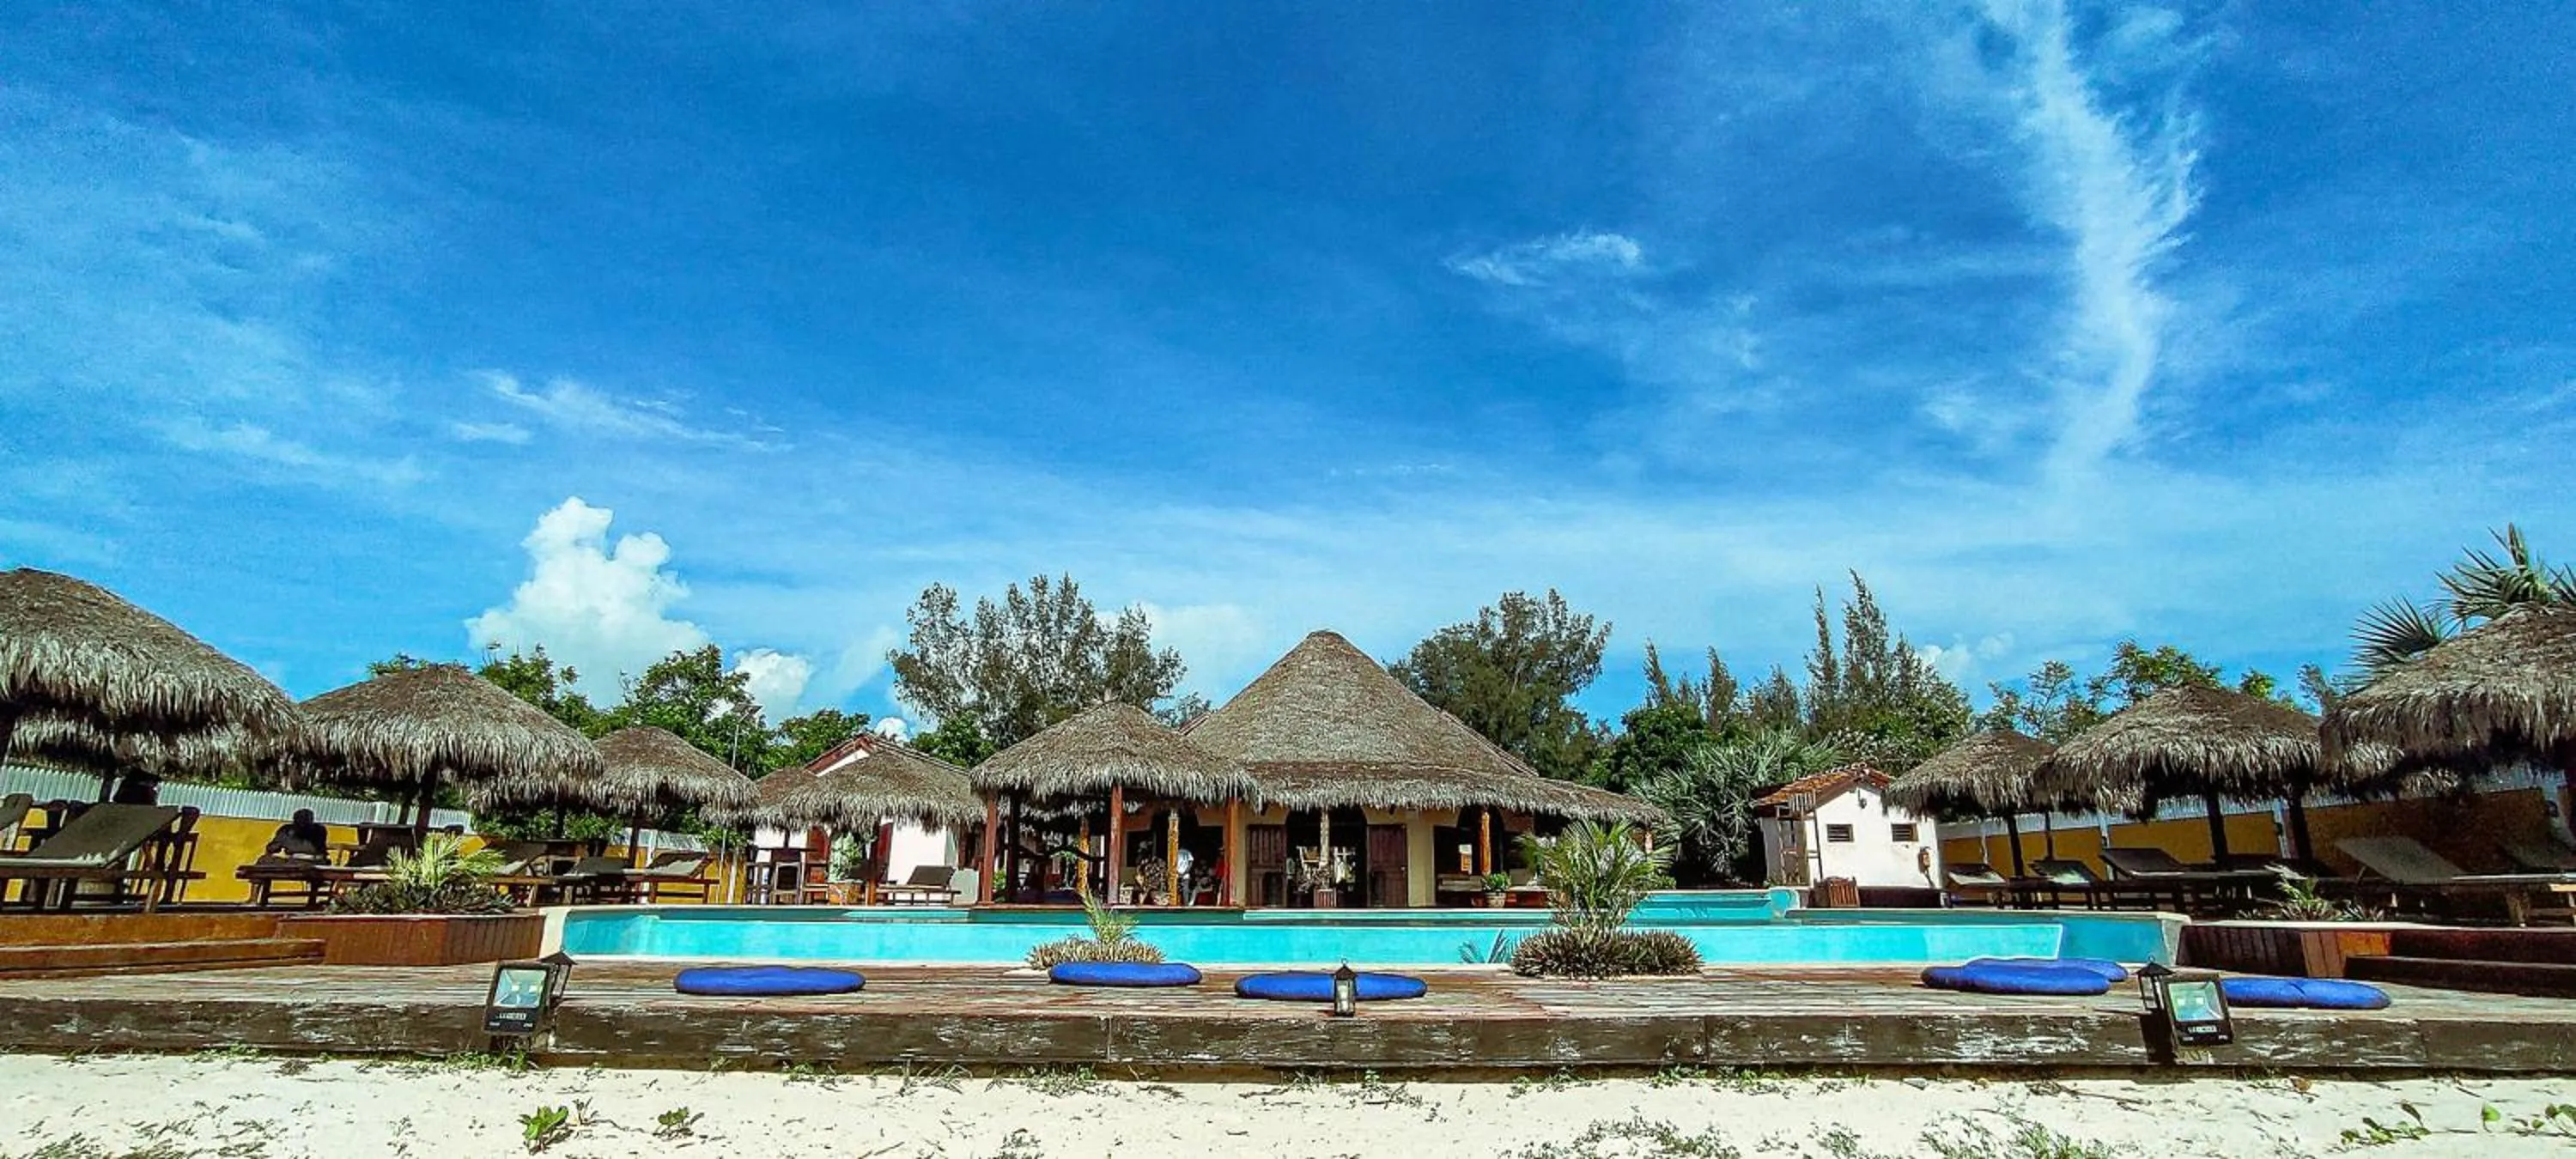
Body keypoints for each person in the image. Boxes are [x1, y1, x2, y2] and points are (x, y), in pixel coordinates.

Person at [264, 809, 330, 859]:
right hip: (316, 861)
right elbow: (273, 848)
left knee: (265, 861)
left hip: (306, 862)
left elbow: (272, 848)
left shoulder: (287, 830)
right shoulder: (320, 829)